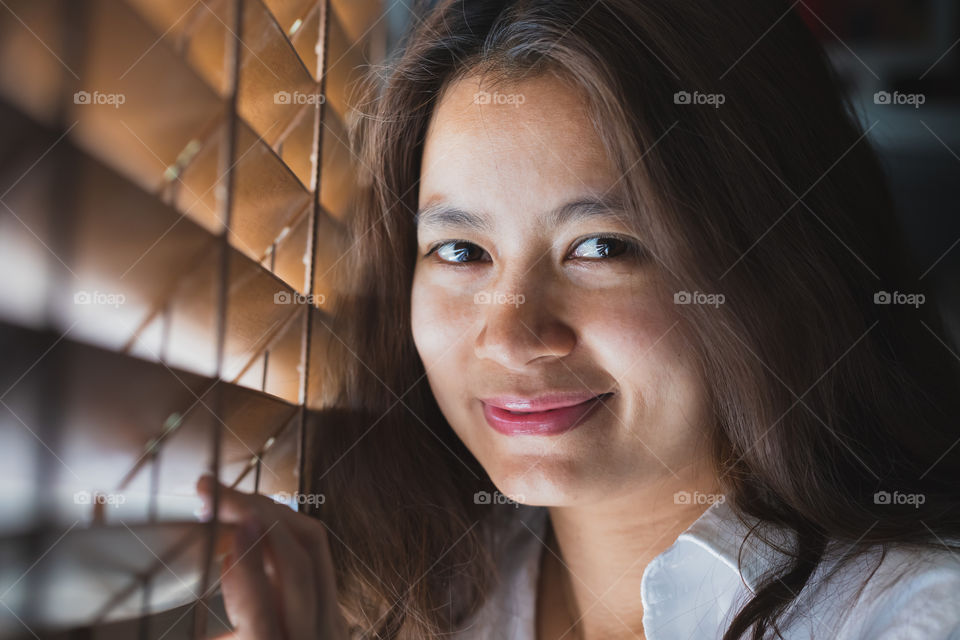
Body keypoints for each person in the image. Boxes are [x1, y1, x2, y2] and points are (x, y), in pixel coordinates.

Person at [197, 1, 960, 638]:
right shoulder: (391, 592)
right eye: (461, 251)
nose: (510, 337)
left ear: (774, 261)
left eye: (601, 247)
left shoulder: (916, 617)